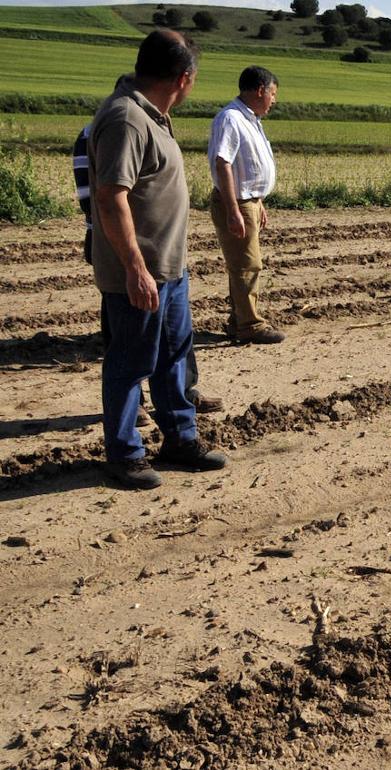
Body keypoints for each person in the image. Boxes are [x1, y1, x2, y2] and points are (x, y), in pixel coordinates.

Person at [88, 29, 227, 489]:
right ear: (183, 78)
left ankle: (180, 439)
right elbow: (110, 198)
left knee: (174, 357)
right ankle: (125, 455)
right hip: (140, 273)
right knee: (131, 363)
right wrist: (134, 268)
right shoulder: (126, 118)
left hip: (169, 269)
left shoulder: (153, 114)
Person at [74, 123, 223, 425]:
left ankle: (183, 389)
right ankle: (136, 404)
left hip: (160, 244)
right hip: (118, 239)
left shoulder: (154, 126)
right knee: (124, 324)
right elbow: (96, 195)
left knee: (173, 329)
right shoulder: (110, 129)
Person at [208, 65, 284, 344]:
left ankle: (238, 319)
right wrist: (233, 209)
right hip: (237, 203)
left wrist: (259, 200)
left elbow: (246, 167)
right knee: (247, 266)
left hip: (248, 201)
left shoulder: (249, 119)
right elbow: (223, 163)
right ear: (260, 90)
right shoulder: (230, 118)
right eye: (273, 93)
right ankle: (250, 325)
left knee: (243, 264)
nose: (274, 100)